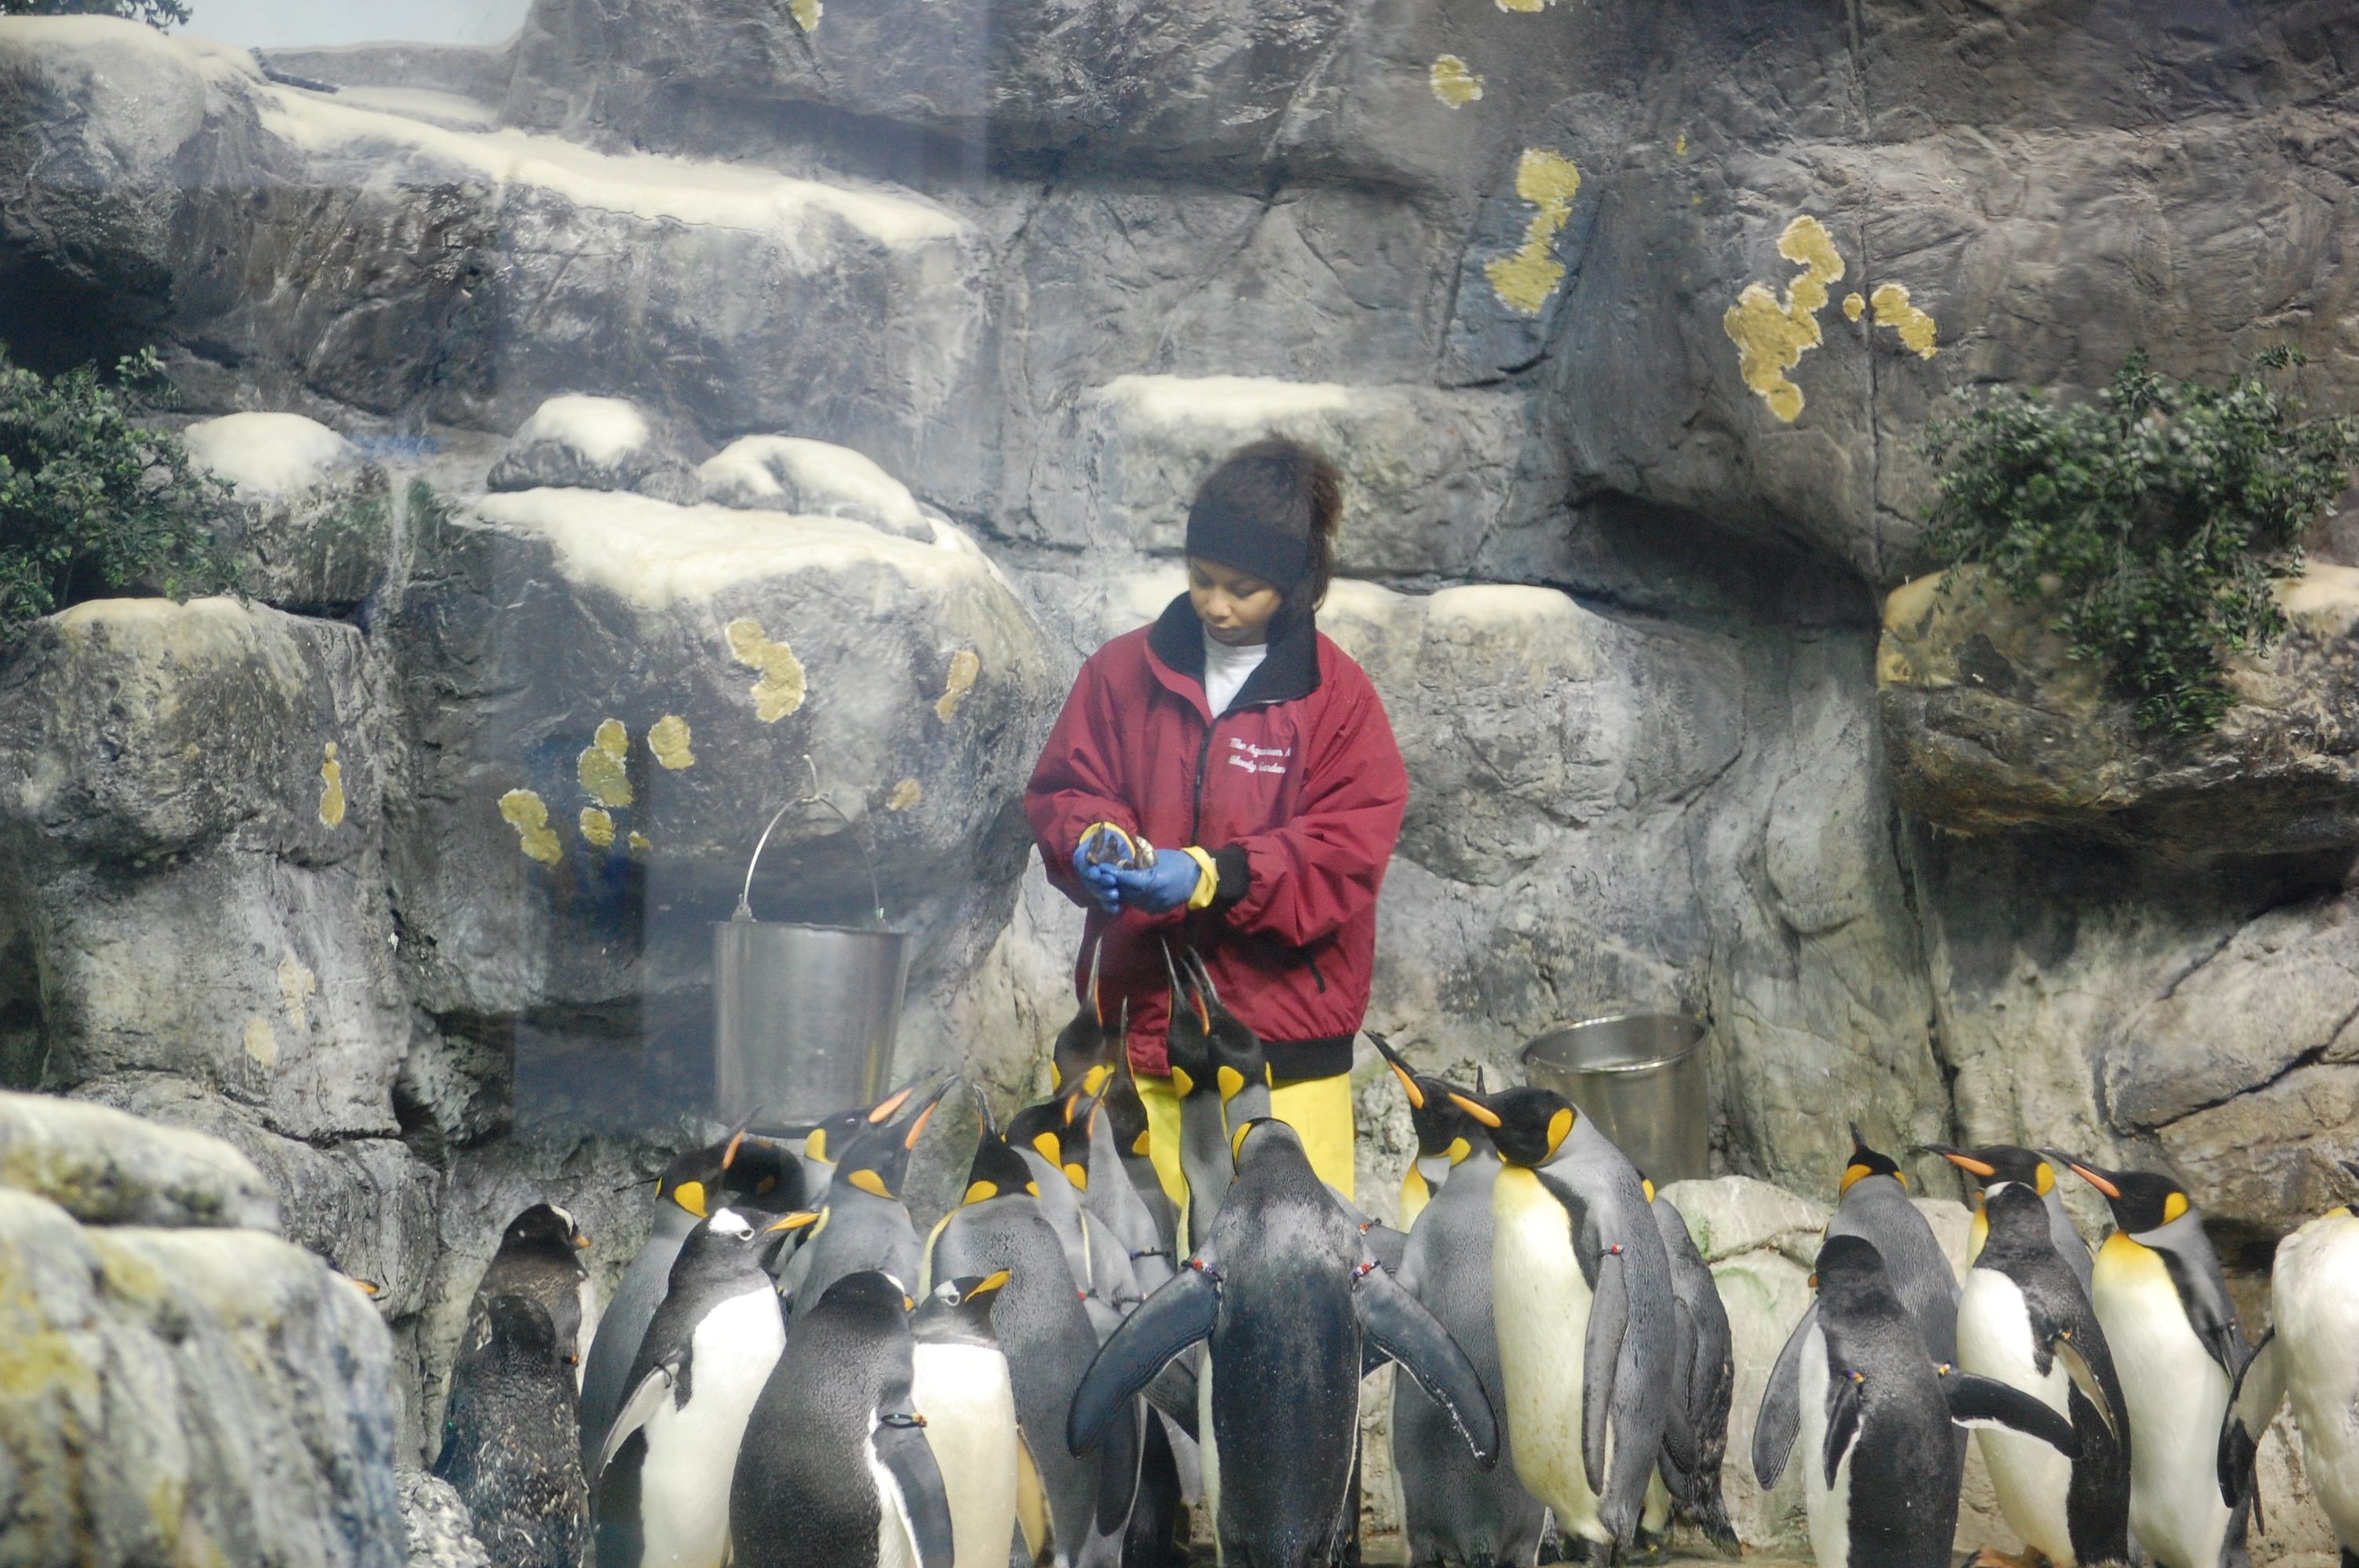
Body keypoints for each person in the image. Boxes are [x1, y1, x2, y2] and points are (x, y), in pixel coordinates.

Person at [1023, 437, 1408, 1202]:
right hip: (1138, 1049)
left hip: (1282, 1056)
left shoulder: (1337, 700)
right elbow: (1069, 787)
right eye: (1201, 578)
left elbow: (1344, 849)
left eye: (1243, 588)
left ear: (1295, 586)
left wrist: (1213, 874)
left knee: (1292, 1261)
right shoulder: (1119, 673)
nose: (1216, 605)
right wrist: (1091, 842)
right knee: (1137, 1260)